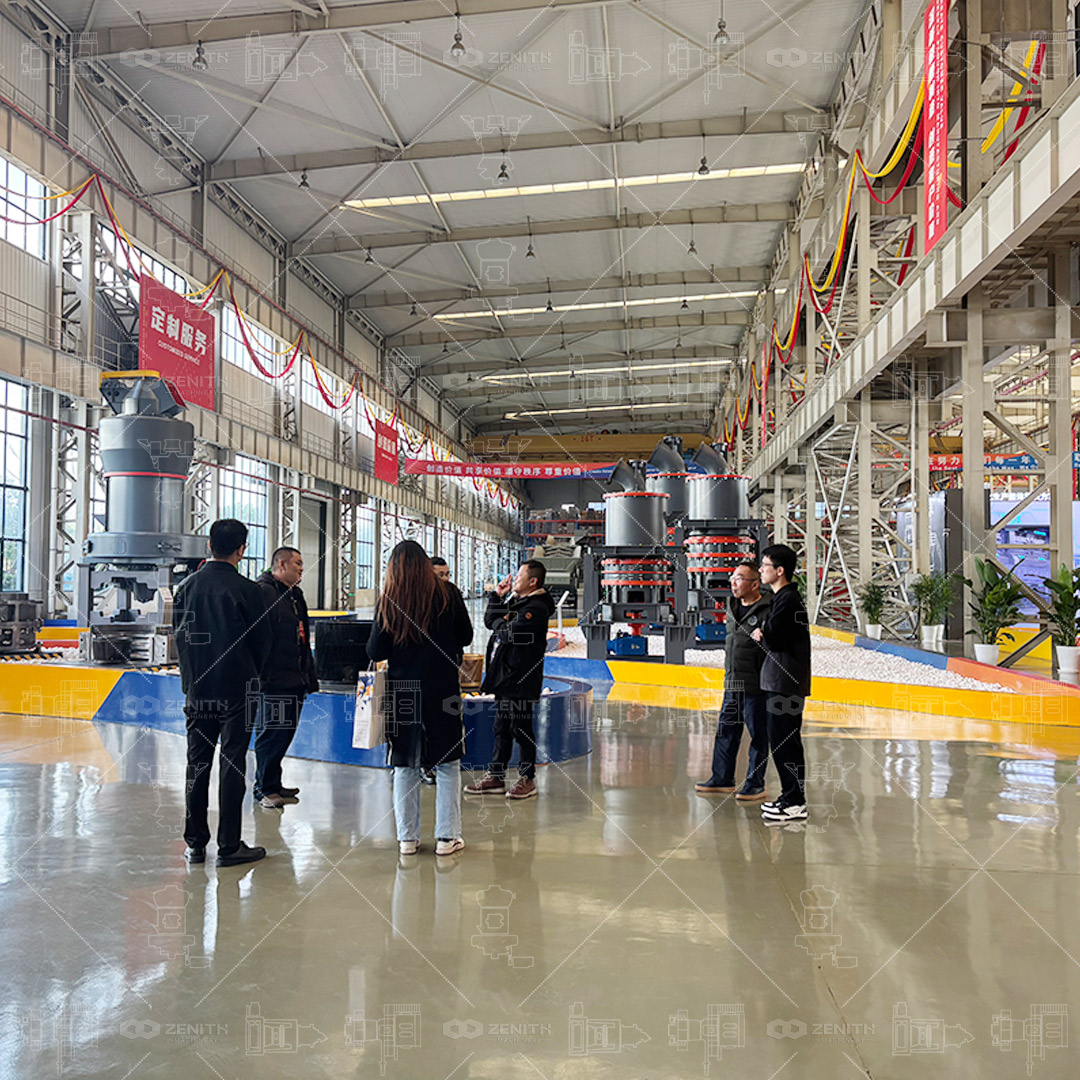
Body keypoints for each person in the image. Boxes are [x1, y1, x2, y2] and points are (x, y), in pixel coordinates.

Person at [173, 519, 272, 866]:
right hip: (237, 690)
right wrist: (251, 675)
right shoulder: (249, 591)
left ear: (209, 545)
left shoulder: (186, 588)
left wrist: (192, 680)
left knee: (196, 765)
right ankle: (229, 845)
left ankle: (195, 843)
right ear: (241, 549)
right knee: (232, 764)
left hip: (198, 690)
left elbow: (180, 639)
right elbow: (263, 643)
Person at [366, 540, 474, 856]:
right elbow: (466, 635)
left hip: (403, 692)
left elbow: (376, 651)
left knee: (405, 765)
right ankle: (446, 838)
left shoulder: (389, 600)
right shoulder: (448, 593)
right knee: (448, 764)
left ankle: (407, 839)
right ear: (426, 565)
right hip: (443, 689)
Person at [465, 560, 554, 800]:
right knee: (501, 727)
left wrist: (500, 625)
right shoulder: (517, 601)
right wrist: (496, 596)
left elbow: (508, 634)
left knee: (521, 728)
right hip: (506, 676)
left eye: (518, 577)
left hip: (521, 678)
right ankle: (496, 776)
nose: (513, 580)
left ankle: (527, 778)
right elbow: (490, 622)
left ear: (532, 581)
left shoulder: (536, 608)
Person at [694, 561, 772, 802]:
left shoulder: (769, 609)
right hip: (733, 682)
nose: (733, 582)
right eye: (732, 578)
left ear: (755, 584)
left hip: (757, 686)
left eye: (739, 578)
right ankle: (722, 778)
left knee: (759, 735)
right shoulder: (732, 605)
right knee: (726, 730)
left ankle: (755, 784)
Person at [253, 547, 319, 809]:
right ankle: (263, 788)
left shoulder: (294, 594)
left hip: (295, 677)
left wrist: (308, 677)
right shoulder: (263, 593)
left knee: (284, 733)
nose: (302, 569)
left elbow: (301, 638)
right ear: (281, 564)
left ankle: (273, 782)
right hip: (274, 680)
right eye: (298, 564)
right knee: (271, 733)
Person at [751, 543, 812, 823]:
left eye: (765, 566)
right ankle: (789, 797)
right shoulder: (783, 598)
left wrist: (762, 633)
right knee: (783, 740)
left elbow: (775, 637)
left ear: (780, 570)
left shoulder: (788, 600)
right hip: (781, 680)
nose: (761, 570)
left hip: (784, 682)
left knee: (785, 741)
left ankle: (795, 802)